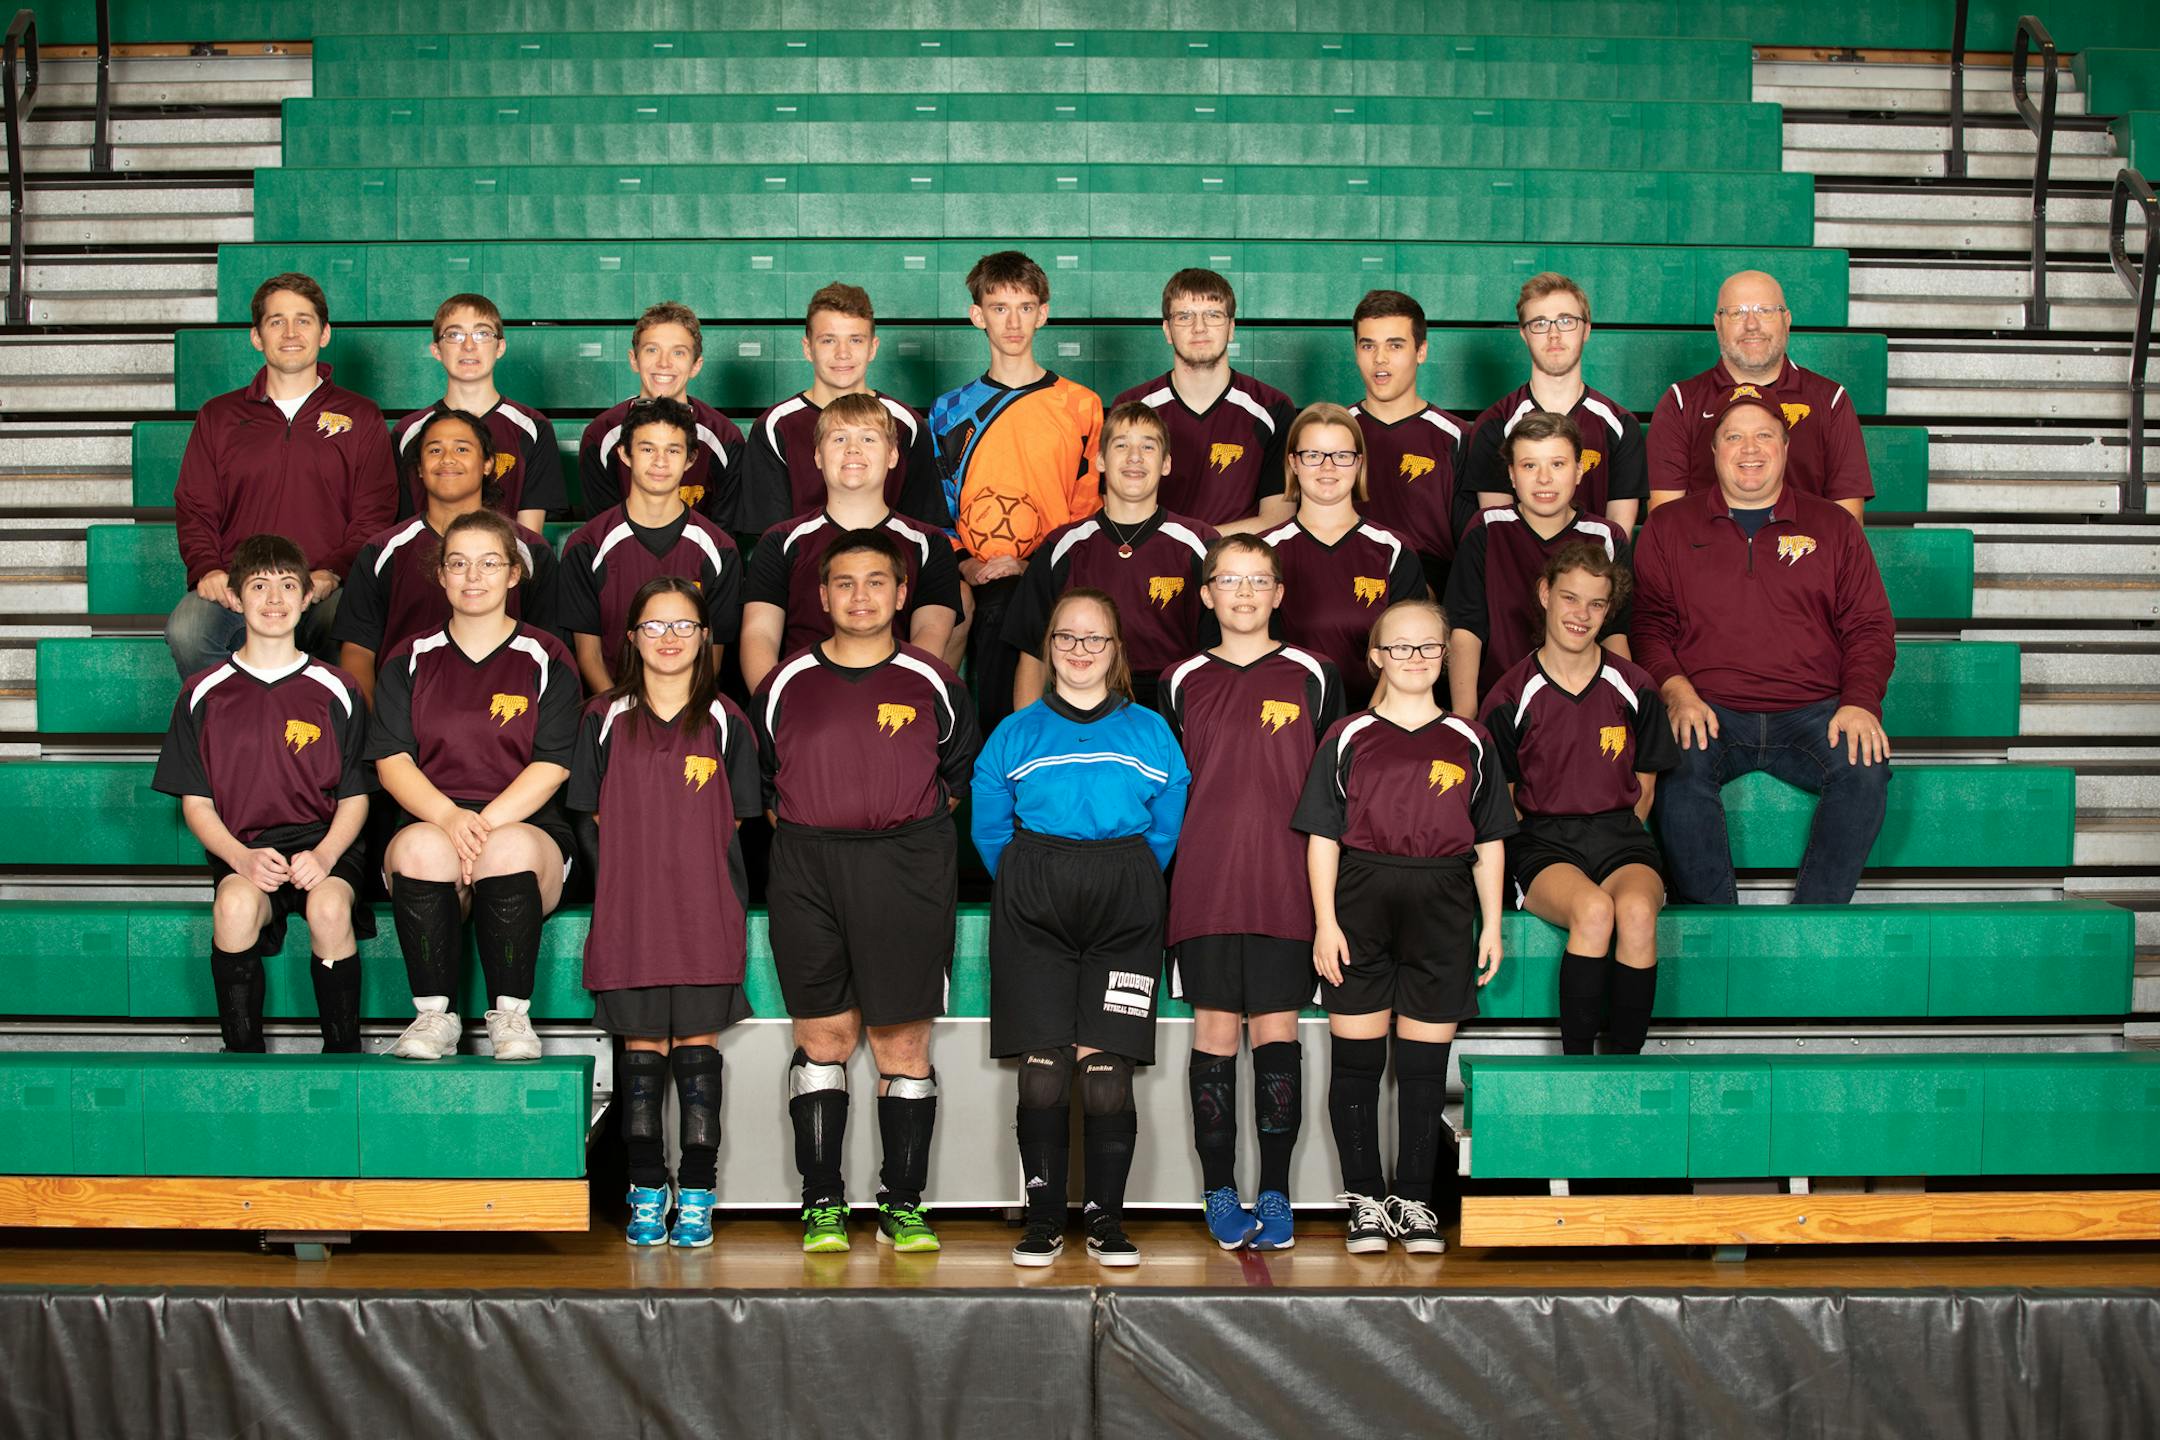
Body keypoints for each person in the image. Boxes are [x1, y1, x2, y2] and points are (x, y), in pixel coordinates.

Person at [754, 528, 979, 1255]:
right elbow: (765, 786)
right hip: (807, 865)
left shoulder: (933, 680)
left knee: (901, 1041)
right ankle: (821, 1202)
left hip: (907, 865)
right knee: (822, 1038)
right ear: (821, 597)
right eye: (844, 583)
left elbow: (954, 780)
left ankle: (902, 1204)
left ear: (902, 593)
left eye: (876, 581)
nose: (860, 596)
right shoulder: (785, 683)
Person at [972, 589, 1190, 1269]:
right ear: (1049, 648)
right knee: (1042, 1072)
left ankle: (1105, 1220)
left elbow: (1167, 823)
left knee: (1104, 1073)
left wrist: (1118, 874)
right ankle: (1042, 1222)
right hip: (1033, 899)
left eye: (1094, 639)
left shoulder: (1151, 730)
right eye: (1066, 638)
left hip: (1125, 901)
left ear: (1116, 650)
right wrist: (1038, 876)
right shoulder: (1016, 732)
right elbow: (987, 827)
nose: (1080, 651)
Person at [1293, 599, 1513, 1255]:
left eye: (1428, 648)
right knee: (1357, 1066)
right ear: (1376, 656)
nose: (1415, 659)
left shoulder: (1471, 739)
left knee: (1422, 1070)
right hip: (1360, 902)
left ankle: (1415, 1201)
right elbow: (1322, 839)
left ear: (1444, 655)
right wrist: (1325, 922)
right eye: (1401, 647)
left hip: (1443, 906)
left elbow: (1492, 842)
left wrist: (1492, 924)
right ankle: (1364, 1200)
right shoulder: (1346, 735)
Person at [1633, 389, 1895, 906]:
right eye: (1733, 436)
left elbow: (1869, 626)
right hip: (1709, 708)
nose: (1748, 449)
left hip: (1812, 710)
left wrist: (1860, 701)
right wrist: (1677, 691)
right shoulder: (1668, 526)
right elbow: (1647, 626)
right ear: (1713, 450)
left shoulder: (1834, 526)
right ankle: (1719, 925)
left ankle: (1813, 920)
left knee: (1866, 768)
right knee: (1673, 768)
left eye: (1763, 436)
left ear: (1786, 446)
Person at [1158, 534, 1344, 1251]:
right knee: (1212, 1037)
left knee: (1276, 1037)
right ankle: (1217, 1188)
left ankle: (1274, 1188)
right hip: (1204, 883)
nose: (1242, 592)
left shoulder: (1315, 675)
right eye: (1227, 580)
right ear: (1205, 595)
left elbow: (1334, 790)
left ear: (1278, 593)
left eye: (1257, 580)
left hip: (1286, 884)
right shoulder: (1180, 680)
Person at [569, 576, 763, 1249]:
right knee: (642, 1062)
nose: (670, 638)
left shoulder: (727, 722)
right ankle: (647, 1188)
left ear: (706, 637)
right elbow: (592, 817)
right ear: (631, 639)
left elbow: (737, 822)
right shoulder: (602, 718)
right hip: (630, 916)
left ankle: (700, 1192)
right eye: (655, 626)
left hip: (705, 914)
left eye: (684, 625)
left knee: (698, 1063)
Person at [369, 508, 581, 1063]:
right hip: (433, 826)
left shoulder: (547, 656)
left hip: (524, 829)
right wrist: (449, 820)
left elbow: (553, 764)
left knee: (504, 847)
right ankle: (433, 1018)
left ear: (514, 574)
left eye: (490, 563)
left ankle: (511, 1016)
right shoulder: (408, 658)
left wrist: (480, 826)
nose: (473, 576)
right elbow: (393, 762)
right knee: (416, 845)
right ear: (439, 574)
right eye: (458, 563)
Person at [152, 533, 374, 1055]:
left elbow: (356, 796)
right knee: (231, 906)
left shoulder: (337, 687)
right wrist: (240, 858)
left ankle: (343, 1053)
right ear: (235, 597)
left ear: (305, 598)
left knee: (328, 910)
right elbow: (196, 802)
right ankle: (242, 1054)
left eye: (287, 586)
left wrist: (324, 855)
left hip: (326, 846)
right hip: (247, 849)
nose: (274, 600)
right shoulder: (203, 692)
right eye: (259, 586)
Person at [1480, 543, 1679, 1055]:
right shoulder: (1509, 694)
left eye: (1596, 604)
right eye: (1570, 598)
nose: (1581, 614)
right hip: (1546, 842)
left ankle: (1624, 1072)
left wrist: (1614, 827)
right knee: (1593, 912)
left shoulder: (1634, 686)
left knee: (1635, 912)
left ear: (1609, 609)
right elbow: (1504, 799)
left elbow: (1647, 784)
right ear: (1545, 594)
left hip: (1620, 836)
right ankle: (1578, 1074)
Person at [169, 272, 397, 677]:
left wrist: (333, 573)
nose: (291, 332)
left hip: (322, 586)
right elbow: (195, 505)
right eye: (276, 322)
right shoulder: (219, 416)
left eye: (303, 320)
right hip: (239, 587)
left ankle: (319, 734)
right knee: (188, 629)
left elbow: (374, 513)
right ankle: (242, 729)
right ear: (257, 337)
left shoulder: (359, 415)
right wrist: (209, 570)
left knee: (353, 627)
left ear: (324, 333)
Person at [930, 250, 1104, 734]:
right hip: (983, 581)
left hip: (1054, 576)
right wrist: (968, 563)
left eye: (1025, 307)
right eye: (999, 308)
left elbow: (1089, 507)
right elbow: (937, 508)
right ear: (977, 315)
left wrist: (1034, 564)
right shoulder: (948, 410)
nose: (1013, 321)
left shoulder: (1080, 405)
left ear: (1043, 314)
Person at [738, 391, 962, 692]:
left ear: (893, 454)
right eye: (839, 439)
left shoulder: (929, 544)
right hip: (803, 702)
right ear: (817, 455)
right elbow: (759, 635)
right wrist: (775, 707)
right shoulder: (780, 541)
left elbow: (931, 634)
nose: (853, 450)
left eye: (868, 439)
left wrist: (883, 704)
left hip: (893, 701)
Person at [1002, 401, 1217, 713]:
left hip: (1173, 703)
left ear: (1166, 463)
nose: (1134, 457)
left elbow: (1221, 656)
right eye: (1121, 445)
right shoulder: (1062, 545)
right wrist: (1027, 737)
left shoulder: (1201, 543)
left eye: (1148, 446)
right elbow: (1032, 654)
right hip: (1083, 701)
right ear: (1100, 460)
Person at [336, 409, 559, 705]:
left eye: (462, 449)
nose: (447, 459)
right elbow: (357, 652)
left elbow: (552, 651)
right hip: (405, 726)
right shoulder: (382, 551)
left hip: (505, 724)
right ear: (418, 468)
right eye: (435, 450)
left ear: (488, 464)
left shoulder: (530, 551)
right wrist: (382, 730)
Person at [1646, 269, 1873, 522]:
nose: (1752, 325)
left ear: (1786, 319)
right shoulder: (1681, 402)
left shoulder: (1830, 400)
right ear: (1717, 323)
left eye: (1765, 311)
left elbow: (1848, 521)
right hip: (1708, 558)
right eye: (1737, 312)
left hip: (1803, 556)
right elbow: (1664, 520)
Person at [1446, 411, 1631, 717]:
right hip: (1501, 708)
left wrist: (1622, 712)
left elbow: (1615, 635)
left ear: (1579, 471)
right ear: (1512, 475)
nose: (1544, 478)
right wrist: (1467, 720)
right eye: (1530, 465)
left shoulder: (1607, 537)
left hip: (1582, 706)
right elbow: (1466, 632)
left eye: (1557, 464)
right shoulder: (1487, 529)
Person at [735, 281, 950, 536]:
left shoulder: (907, 424)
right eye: (828, 340)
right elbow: (770, 538)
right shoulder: (774, 426)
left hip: (888, 571)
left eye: (856, 340)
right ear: (808, 348)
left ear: (873, 347)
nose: (843, 353)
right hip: (805, 572)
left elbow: (922, 530)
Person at [560, 396, 742, 695]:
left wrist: (676, 713)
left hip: (689, 710)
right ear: (625, 454)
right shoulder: (587, 545)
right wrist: (616, 710)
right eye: (647, 449)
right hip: (612, 707)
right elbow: (588, 656)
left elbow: (712, 656)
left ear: (691, 459)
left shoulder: (720, 549)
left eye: (673, 450)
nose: (660, 461)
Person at [1258, 403, 1425, 711]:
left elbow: (1408, 651)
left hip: (1375, 721)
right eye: (1313, 455)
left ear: (1358, 463)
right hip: (1288, 719)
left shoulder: (1393, 550)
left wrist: (1366, 727)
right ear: (1293, 463)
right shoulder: (1263, 551)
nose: (1327, 467)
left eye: (1341, 456)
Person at [1110, 268, 1296, 531]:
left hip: (1238, 565)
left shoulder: (1272, 408)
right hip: (1156, 564)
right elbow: (1118, 512)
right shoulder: (1132, 407)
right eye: (1185, 316)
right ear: (1167, 330)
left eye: (1213, 315)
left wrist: (1195, 545)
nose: (1199, 328)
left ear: (1231, 328)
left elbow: (1278, 519)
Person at [1462, 273, 1646, 535]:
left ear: (1587, 330)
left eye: (1566, 321)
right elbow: (1499, 534)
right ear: (1524, 334)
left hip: (1595, 573)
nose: (1554, 334)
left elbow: (1618, 537)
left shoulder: (1620, 426)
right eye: (1539, 323)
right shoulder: (1495, 425)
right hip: (1521, 573)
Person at [391, 292, 565, 534]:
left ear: (500, 347)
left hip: (503, 567)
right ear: (436, 350)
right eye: (454, 335)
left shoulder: (533, 428)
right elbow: (404, 528)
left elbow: (530, 539)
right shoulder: (408, 432)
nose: (469, 346)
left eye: (482, 334)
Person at [1346, 289, 1469, 599]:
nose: (1380, 359)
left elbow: (1469, 551)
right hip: (1344, 584)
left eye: (1395, 345)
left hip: (1427, 596)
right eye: (1368, 345)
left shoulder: (1456, 437)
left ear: (1421, 351)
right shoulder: (1335, 433)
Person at [578, 300, 744, 522]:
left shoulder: (724, 437)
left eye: (678, 353)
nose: (664, 363)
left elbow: (723, 536)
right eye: (652, 350)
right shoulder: (601, 434)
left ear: (696, 365)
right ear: (634, 359)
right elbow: (604, 530)